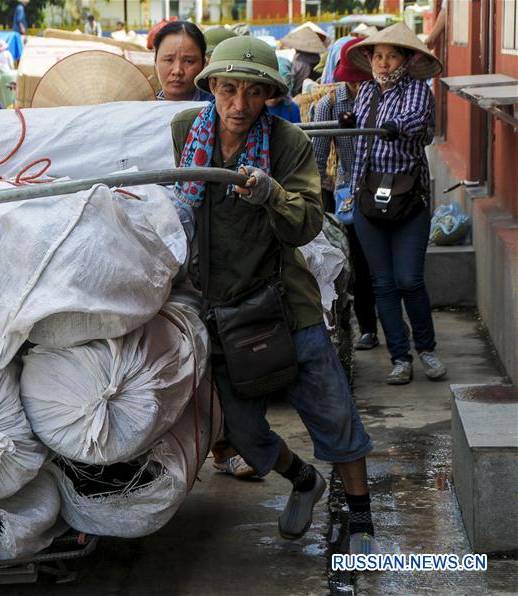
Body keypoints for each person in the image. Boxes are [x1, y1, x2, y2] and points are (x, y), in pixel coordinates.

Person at [170, 36, 377, 554]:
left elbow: (307, 221)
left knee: (334, 415)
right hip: (220, 309)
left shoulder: (288, 143)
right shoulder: (183, 133)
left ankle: (362, 518)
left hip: (286, 304)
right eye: (228, 90)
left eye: (253, 92)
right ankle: (303, 479)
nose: (239, 105)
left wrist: (271, 195)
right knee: (240, 430)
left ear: (268, 96)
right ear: (212, 87)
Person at [346, 24, 446, 385]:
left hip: (409, 200)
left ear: (405, 59)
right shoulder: (365, 92)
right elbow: (357, 145)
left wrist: (391, 126)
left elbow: (417, 124)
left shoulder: (417, 90)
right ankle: (400, 358)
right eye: (378, 56)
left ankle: (427, 349)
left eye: (391, 56)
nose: (384, 63)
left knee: (409, 279)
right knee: (382, 284)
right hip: (368, 199)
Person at [312, 37, 379, 351]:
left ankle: (390, 323)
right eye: (352, 81)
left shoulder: (383, 98)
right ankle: (367, 327)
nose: (357, 87)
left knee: (384, 266)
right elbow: (317, 157)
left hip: (385, 190)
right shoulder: (329, 104)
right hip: (349, 194)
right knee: (361, 264)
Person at [153, 20, 212, 102]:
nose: (177, 71)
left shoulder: (216, 109)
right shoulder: (143, 108)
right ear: (155, 61)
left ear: (203, 64)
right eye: (169, 60)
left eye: (188, 61)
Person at [280, 27, 326, 96]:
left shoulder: (299, 60)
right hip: (316, 94)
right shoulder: (317, 57)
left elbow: (293, 80)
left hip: (300, 96)